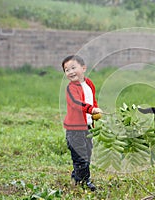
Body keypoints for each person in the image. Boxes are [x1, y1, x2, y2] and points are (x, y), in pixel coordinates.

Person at [62, 55, 102, 191]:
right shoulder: (71, 88)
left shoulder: (89, 84)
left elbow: (92, 100)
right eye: (67, 70)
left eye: (73, 68)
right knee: (81, 157)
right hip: (75, 129)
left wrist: (95, 112)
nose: (71, 72)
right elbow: (76, 104)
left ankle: (76, 177)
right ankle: (85, 183)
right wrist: (91, 109)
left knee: (87, 154)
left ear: (83, 68)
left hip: (87, 127)